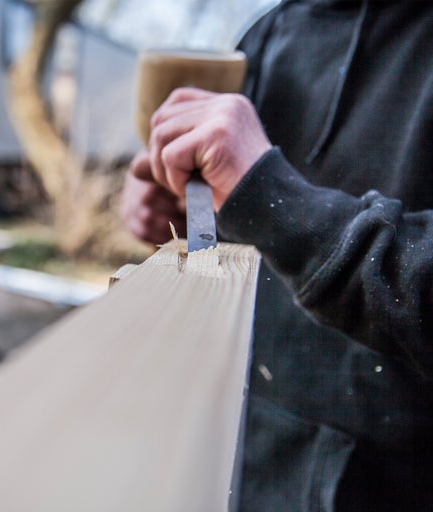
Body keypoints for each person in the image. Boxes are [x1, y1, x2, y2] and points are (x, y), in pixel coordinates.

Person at [120, 1, 433, 510]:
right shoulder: (271, 32)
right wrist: (185, 207)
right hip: (237, 460)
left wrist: (270, 194)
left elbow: (269, 196)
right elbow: (233, 216)